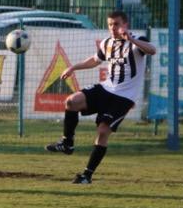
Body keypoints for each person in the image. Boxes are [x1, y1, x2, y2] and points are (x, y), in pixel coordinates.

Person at [46, 10, 156, 184]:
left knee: (103, 131)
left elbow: (152, 50)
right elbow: (95, 60)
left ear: (125, 25)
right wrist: (73, 67)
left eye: (117, 24)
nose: (113, 28)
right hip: (106, 88)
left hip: (123, 97)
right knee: (72, 101)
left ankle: (86, 176)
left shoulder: (137, 41)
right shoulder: (107, 43)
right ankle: (67, 143)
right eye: (110, 24)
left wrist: (131, 39)